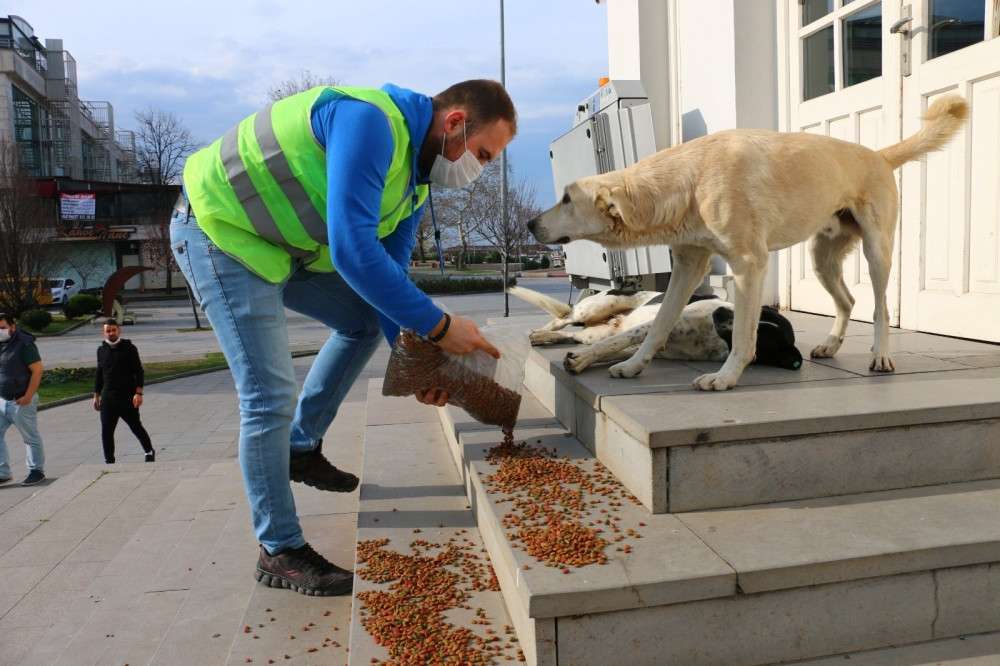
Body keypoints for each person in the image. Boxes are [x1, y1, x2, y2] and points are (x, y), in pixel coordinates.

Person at [171, 79, 516, 596]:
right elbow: (353, 252)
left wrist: (419, 365)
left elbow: (389, 284)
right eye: (483, 154)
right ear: (455, 123)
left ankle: (300, 447)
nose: (479, 168)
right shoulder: (368, 122)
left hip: (282, 247)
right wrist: (441, 328)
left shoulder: (416, 182)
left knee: (357, 324)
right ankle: (279, 550)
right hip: (217, 231)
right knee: (267, 398)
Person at [93, 319, 155, 464]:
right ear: (104, 332)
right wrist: (96, 395)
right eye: (108, 331)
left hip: (128, 396)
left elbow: (138, 371)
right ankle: (109, 461)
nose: (111, 333)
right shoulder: (101, 350)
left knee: (136, 427)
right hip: (108, 397)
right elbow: (99, 373)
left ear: (119, 330)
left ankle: (149, 451)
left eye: (113, 330)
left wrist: (138, 393)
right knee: (106, 431)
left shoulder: (129, 348)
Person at [0, 314, 45, 486]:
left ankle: (36, 470)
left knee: (30, 436)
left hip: (21, 399)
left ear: (12, 326)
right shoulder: (2, 345)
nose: (0, 331)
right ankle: (3, 473)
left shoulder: (24, 344)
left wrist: (28, 395)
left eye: (3, 327)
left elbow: (38, 370)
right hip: (3, 399)